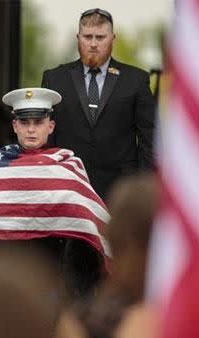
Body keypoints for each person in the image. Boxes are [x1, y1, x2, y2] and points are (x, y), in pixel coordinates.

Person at [0, 87, 111, 303]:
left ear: (50, 126)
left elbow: (87, 220)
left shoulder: (69, 166)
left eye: (38, 122)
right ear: (15, 126)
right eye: (24, 123)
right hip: (0, 274)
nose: (31, 129)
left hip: (51, 271)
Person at [41, 8, 156, 200]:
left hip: (121, 193)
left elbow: (149, 140)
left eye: (100, 37)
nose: (93, 44)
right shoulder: (54, 79)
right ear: (78, 37)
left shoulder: (136, 80)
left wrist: (142, 190)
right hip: (66, 189)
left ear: (113, 38)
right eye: (88, 37)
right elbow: (45, 136)